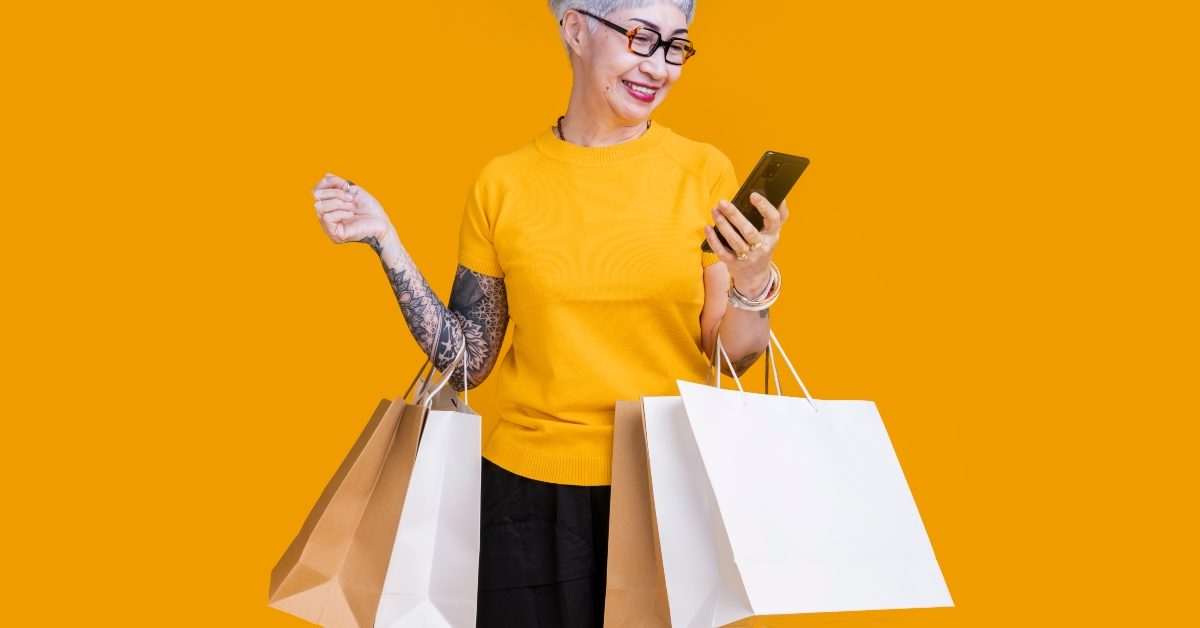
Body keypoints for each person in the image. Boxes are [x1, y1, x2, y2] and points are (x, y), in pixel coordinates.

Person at [311, 1, 789, 625]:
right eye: (642, 38)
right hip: (522, 499)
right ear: (575, 29)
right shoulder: (503, 184)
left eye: (677, 45)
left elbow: (733, 356)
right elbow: (468, 361)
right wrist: (388, 246)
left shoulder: (704, 172)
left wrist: (754, 281)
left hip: (663, 491)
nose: (660, 66)